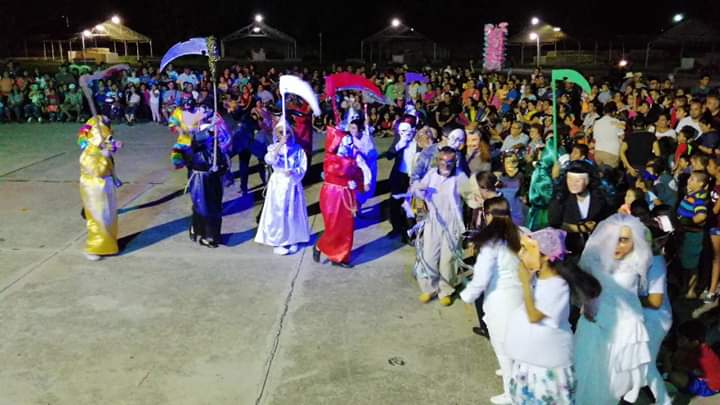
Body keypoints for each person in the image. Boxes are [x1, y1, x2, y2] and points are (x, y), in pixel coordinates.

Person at [506, 228, 601, 405]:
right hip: (533, 359)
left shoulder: (557, 285)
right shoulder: (541, 278)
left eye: (526, 249)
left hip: (547, 366)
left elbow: (534, 316)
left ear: (545, 257)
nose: (521, 254)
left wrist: (525, 284)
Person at [574, 214, 653, 405]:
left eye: (624, 240)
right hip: (595, 327)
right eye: (613, 239)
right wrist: (586, 305)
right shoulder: (593, 261)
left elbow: (639, 293)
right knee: (589, 373)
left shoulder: (639, 261)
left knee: (617, 379)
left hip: (625, 330)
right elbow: (582, 288)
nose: (618, 245)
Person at [459, 196, 522, 404]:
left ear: (488, 215)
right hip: (520, 296)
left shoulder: (491, 243)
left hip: (500, 300)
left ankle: (511, 394)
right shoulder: (520, 233)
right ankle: (511, 373)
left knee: (502, 347)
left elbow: (481, 278)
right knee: (514, 342)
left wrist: (466, 295)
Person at [412, 146, 469, 306]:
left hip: (452, 223)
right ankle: (429, 288)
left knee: (448, 260)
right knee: (429, 256)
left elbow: (471, 197)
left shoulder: (460, 177)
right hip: (433, 221)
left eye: (450, 162)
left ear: (455, 162)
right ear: (437, 161)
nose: (446, 165)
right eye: (443, 161)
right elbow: (419, 190)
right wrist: (419, 192)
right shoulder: (431, 174)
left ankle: (446, 290)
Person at [313, 127, 370, 268]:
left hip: (346, 194)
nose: (350, 146)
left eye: (351, 143)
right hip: (332, 195)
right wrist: (352, 171)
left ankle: (340, 257)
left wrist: (358, 182)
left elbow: (360, 170)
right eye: (346, 143)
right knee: (333, 226)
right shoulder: (330, 158)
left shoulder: (352, 155)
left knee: (346, 227)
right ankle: (320, 246)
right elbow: (342, 169)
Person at [174, 111, 231, 248]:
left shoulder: (216, 142)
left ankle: (212, 235)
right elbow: (184, 157)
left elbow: (225, 152)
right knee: (203, 207)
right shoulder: (193, 141)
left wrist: (220, 167)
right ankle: (205, 235)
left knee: (215, 207)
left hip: (214, 178)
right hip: (200, 179)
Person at [255, 122, 309, 255]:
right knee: (279, 212)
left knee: (293, 212)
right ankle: (278, 241)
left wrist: (293, 171)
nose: (285, 135)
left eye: (287, 132)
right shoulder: (273, 148)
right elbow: (269, 160)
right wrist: (280, 145)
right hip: (278, 184)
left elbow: (302, 166)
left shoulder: (298, 149)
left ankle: (293, 239)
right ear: (276, 134)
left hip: (292, 183)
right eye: (281, 132)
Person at [77, 116, 123, 261]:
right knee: (98, 219)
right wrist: (104, 155)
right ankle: (93, 248)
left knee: (108, 217)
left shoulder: (100, 146)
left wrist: (113, 147)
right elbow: (95, 171)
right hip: (94, 188)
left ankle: (108, 245)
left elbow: (110, 148)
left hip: (105, 185)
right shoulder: (88, 154)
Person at [548, 161, 608, 256]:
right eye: (570, 179)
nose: (573, 184)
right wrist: (579, 228)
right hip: (568, 250)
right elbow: (554, 223)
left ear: (588, 181)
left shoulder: (599, 198)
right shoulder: (560, 198)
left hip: (595, 250)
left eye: (577, 181)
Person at [676, 170, 710, 298]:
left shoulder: (699, 199)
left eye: (692, 179)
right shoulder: (690, 194)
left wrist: (689, 221)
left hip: (692, 236)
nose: (688, 180)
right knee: (685, 263)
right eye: (689, 178)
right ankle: (685, 287)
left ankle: (691, 291)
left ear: (701, 183)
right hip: (684, 234)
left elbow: (701, 216)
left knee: (692, 264)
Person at [667, 320, 720, 398]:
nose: (678, 340)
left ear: (695, 342)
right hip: (704, 375)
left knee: (673, 376)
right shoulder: (699, 348)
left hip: (709, 387)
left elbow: (678, 366)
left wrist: (667, 358)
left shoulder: (700, 358)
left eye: (682, 339)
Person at [592, 103, 625, 168]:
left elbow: (595, 138)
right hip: (611, 153)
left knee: (600, 173)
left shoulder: (597, 122)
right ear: (613, 112)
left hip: (598, 152)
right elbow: (622, 137)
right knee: (610, 173)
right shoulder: (616, 122)